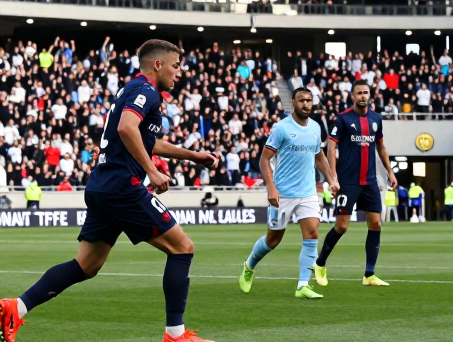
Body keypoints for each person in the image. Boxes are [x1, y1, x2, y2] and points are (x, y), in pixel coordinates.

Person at [0, 40, 219, 342]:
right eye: (176, 65)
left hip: (103, 184)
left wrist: (193, 155)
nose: (179, 72)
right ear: (158, 65)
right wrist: (153, 171)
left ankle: (16, 307)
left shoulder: (133, 90)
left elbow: (148, 141)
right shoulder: (146, 91)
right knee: (182, 247)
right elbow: (127, 129)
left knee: (86, 265)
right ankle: (176, 335)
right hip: (121, 186)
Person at [238, 88, 338, 299]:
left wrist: (331, 179)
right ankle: (249, 265)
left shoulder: (315, 127)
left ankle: (303, 285)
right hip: (283, 193)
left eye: (309, 100)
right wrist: (271, 187)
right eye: (302, 100)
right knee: (273, 241)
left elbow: (319, 156)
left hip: (308, 191)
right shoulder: (281, 129)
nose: (306, 104)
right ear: (293, 102)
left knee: (312, 234)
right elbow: (264, 159)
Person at [313, 79, 397, 287]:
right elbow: (331, 148)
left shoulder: (376, 119)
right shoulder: (342, 119)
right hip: (348, 182)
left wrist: (390, 172)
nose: (362, 96)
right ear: (352, 96)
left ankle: (369, 275)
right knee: (342, 226)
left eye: (365, 92)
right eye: (359, 93)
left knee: (376, 224)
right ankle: (320, 263)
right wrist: (333, 177)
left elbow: (381, 147)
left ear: (370, 95)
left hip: (369, 181)